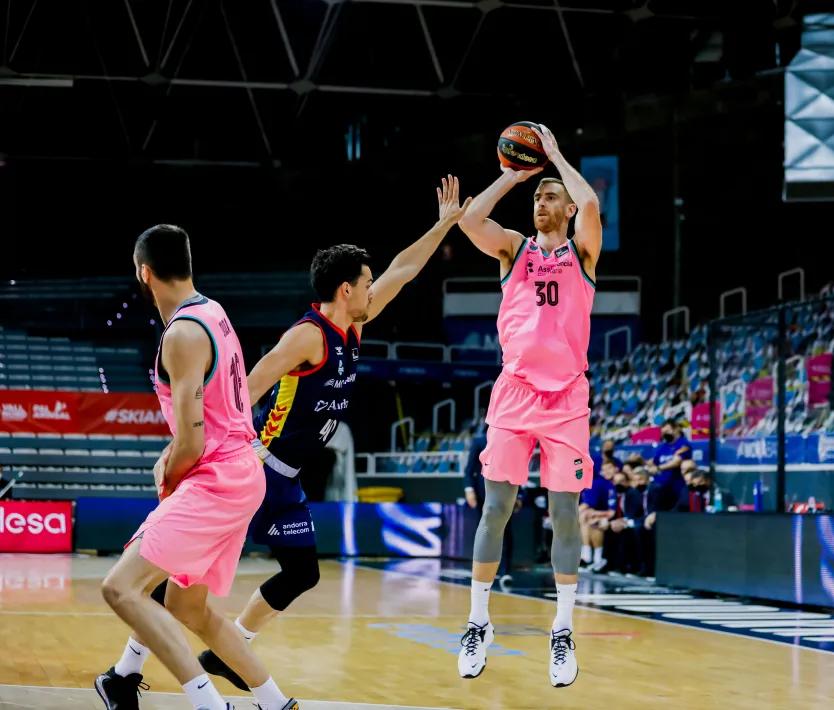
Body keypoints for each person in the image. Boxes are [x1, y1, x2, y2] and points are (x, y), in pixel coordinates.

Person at [106, 177, 471, 697]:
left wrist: (442, 225)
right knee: (178, 574)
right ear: (347, 289)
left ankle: (206, 655)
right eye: (367, 283)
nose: (374, 289)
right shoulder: (307, 336)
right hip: (258, 466)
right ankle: (136, 670)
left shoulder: (354, 328)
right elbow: (246, 385)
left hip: (287, 475)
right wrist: (210, 440)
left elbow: (404, 271)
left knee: (289, 573)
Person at [96, 225, 297, 710]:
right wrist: (178, 452)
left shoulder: (182, 334)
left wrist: (169, 471)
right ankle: (276, 704)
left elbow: (192, 439)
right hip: (241, 470)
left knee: (120, 589)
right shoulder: (213, 311)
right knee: (188, 606)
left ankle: (209, 706)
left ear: (144, 273)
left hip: (217, 478)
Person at [455, 124, 601, 687]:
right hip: (514, 394)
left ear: (564, 208)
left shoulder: (583, 252)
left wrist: (557, 157)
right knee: (496, 509)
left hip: (567, 398)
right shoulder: (513, 249)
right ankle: (477, 621)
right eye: (537, 196)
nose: (541, 201)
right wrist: (513, 175)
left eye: (548, 196)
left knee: (564, 514)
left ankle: (562, 631)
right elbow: (471, 222)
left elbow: (588, 200)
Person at [465, 428, 520, 586]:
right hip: (483, 495)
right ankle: (482, 570)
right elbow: (469, 469)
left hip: (505, 492)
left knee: (505, 531)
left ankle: (505, 571)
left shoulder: (512, 440)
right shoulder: (480, 441)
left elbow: (517, 467)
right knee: (484, 532)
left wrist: (519, 495)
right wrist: (469, 490)